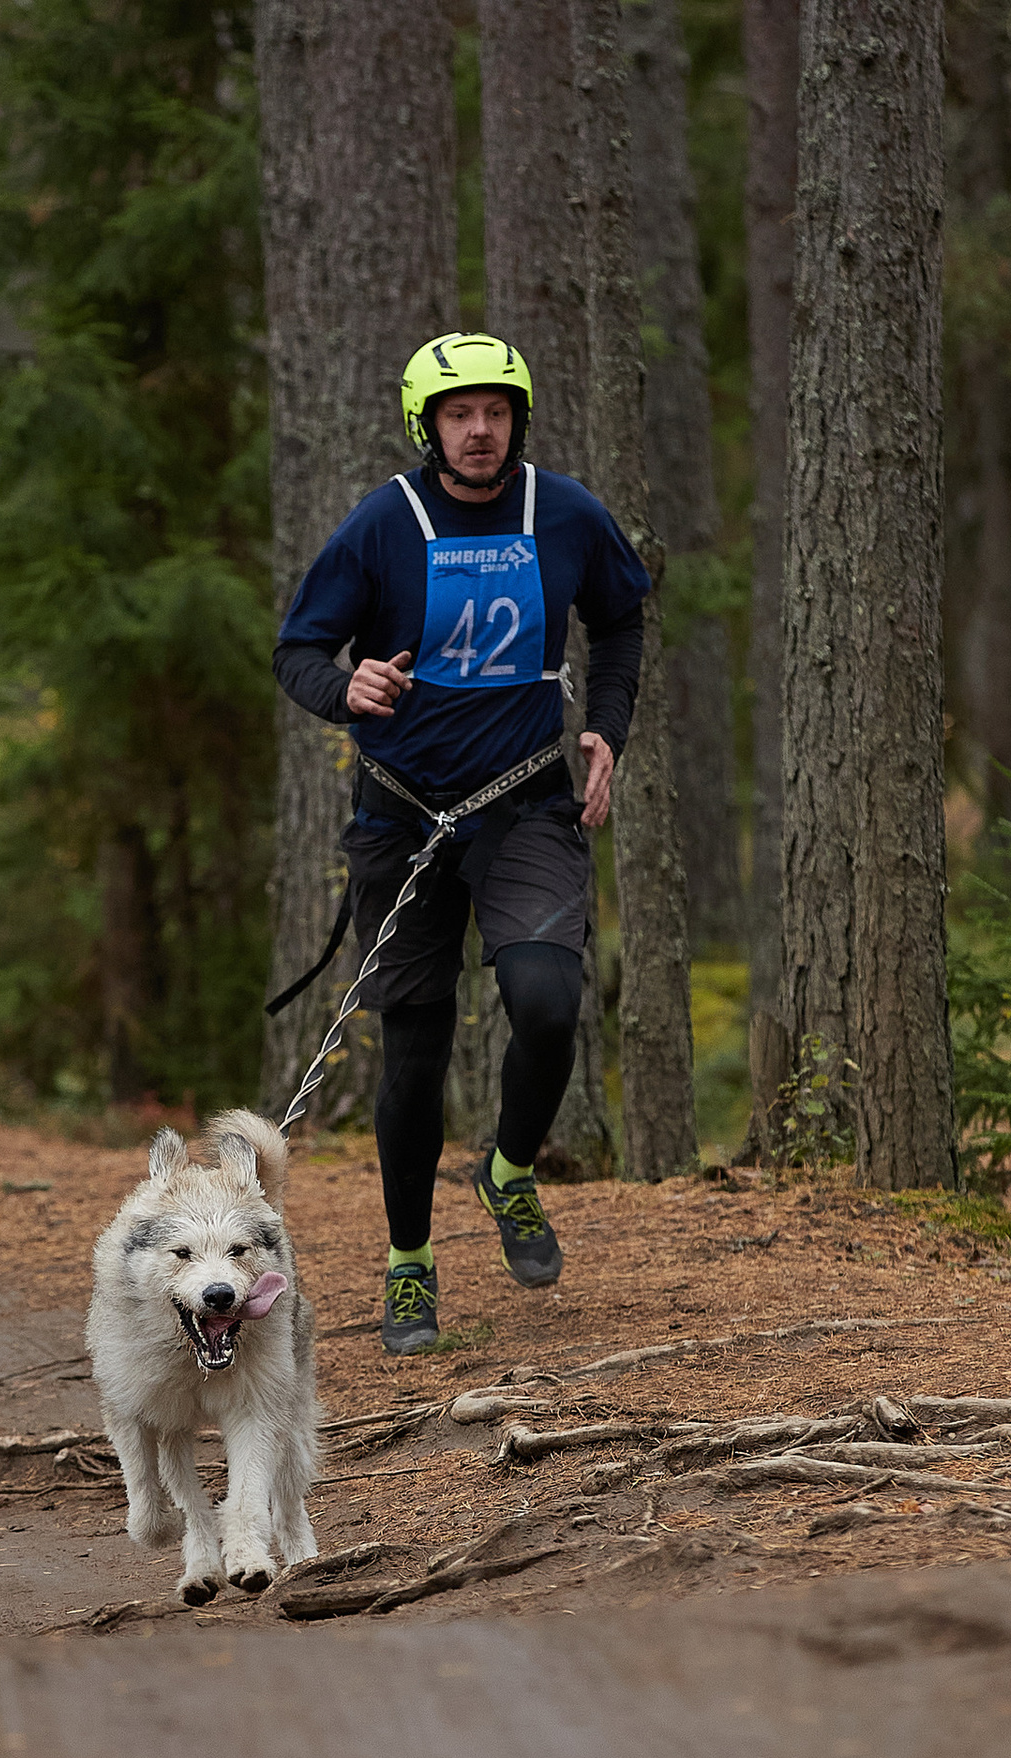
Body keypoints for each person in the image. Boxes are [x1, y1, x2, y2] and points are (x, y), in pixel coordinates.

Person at [273, 334, 652, 1354]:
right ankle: (408, 1266)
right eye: (457, 413)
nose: (477, 430)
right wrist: (343, 686)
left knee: (547, 1001)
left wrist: (607, 727)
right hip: (402, 816)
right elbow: (299, 648)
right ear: (426, 426)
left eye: (493, 410)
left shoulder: (565, 513)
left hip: (525, 801)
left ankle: (510, 1169)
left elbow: (620, 620)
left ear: (516, 419)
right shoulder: (383, 524)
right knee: (414, 1049)